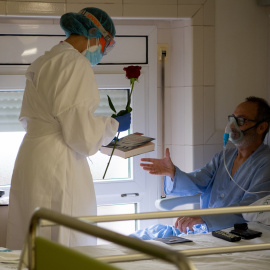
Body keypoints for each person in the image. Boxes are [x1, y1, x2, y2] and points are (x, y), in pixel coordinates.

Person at [7, 7, 131, 249]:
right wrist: (112, 125)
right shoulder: (75, 64)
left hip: (32, 158)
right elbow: (81, 136)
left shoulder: (43, 60)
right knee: (63, 241)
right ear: (95, 35)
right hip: (56, 164)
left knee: (33, 242)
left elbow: (40, 117)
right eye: (106, 45)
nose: (103, 53)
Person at [139, 96, 270, 238]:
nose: (232, 126)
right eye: (232, 119)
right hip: (202, 228)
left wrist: (206, 218)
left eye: (241, 120)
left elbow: (251, 209)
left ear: (261, 127)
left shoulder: (266, 163)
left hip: (227, 233)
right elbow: (198, 180)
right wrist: (173, 173)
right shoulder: (223, 158)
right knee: (140, 238)